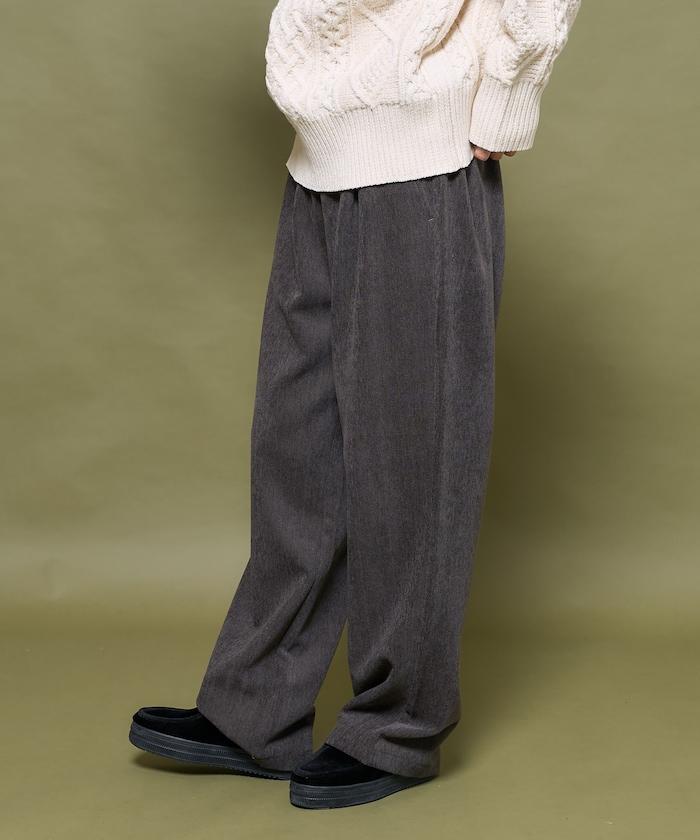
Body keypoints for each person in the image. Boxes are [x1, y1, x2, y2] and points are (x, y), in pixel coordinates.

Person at [128, 0, 581, 810]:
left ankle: (396, 729)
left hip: (425, 151)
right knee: (298, 448)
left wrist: (510, 88)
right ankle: (256, 709)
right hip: (321, 153)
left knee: (413, 458)